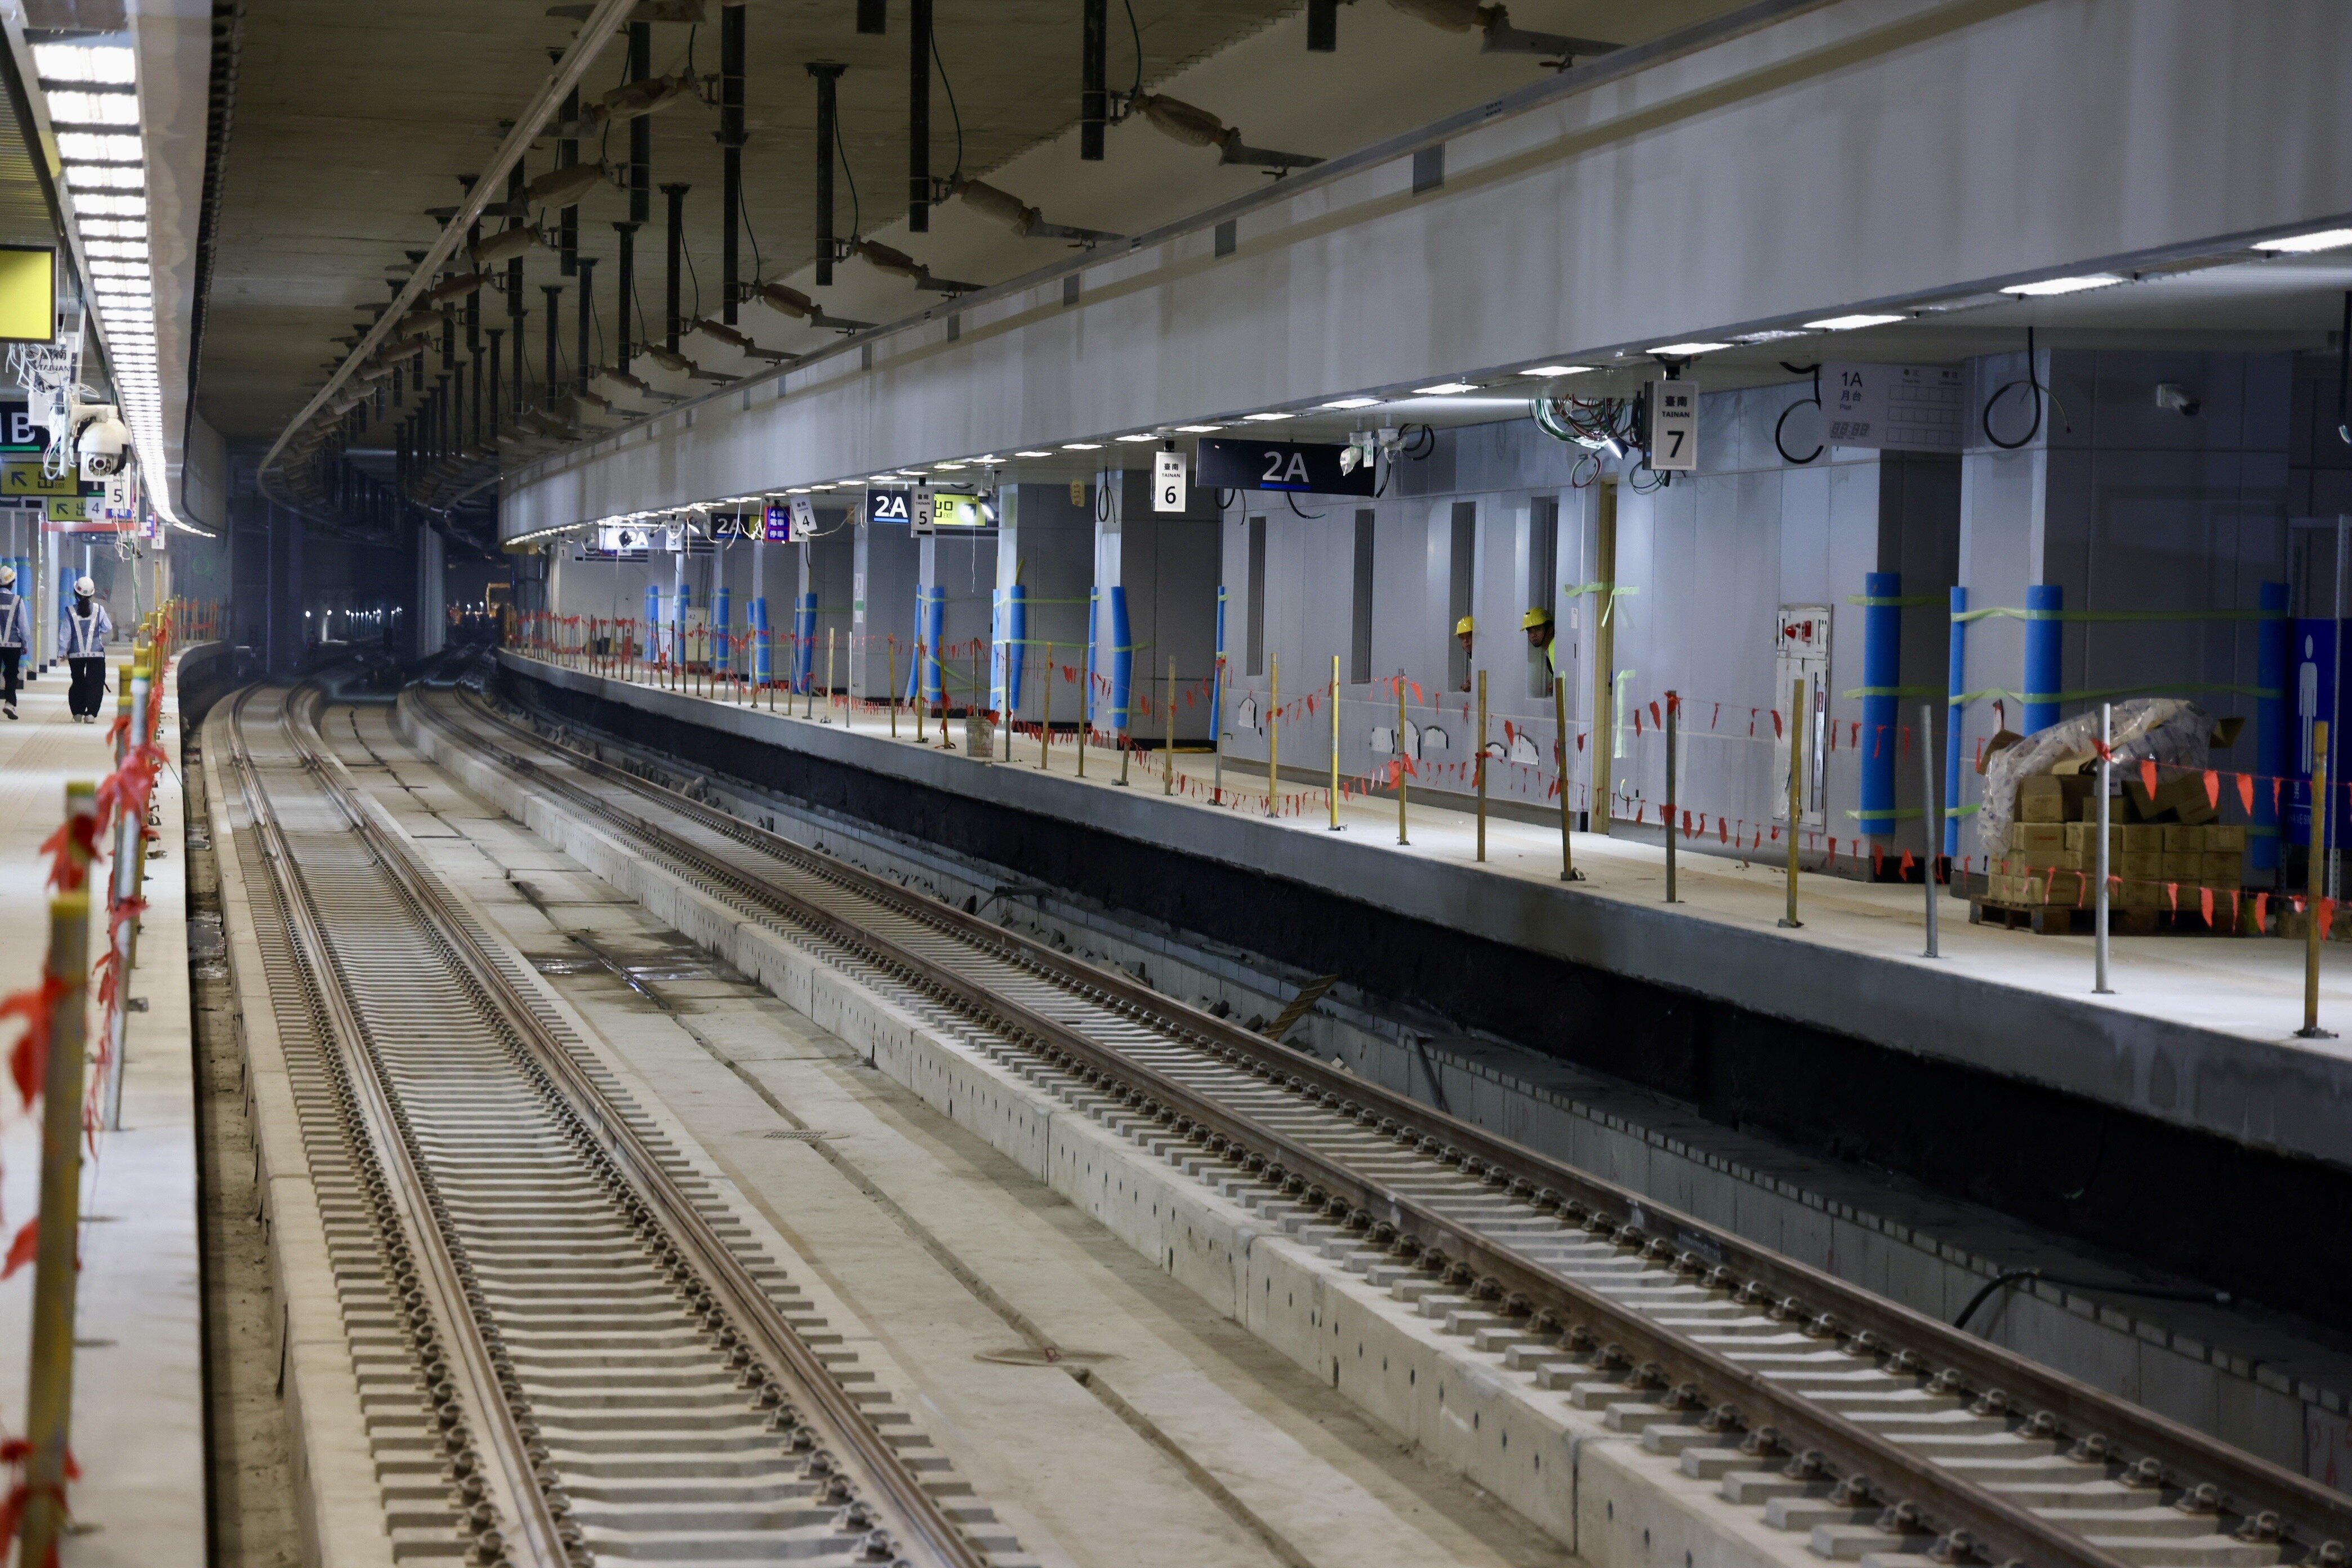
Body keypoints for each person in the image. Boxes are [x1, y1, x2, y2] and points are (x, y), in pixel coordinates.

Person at [60, 575, 112, 724]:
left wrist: (61, 652)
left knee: (78, 682)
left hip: (76, 655)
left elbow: (65, 634)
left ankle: (77, 713)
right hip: (96, 654)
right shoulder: (99, 610)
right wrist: (97, 633)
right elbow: (107, 627)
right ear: (92, 594)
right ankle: (91, 714)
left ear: (76, 593)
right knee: (95, 683)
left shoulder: (70, 611)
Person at [0, 565, 25, 719]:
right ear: (12, 583)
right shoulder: (17, 601)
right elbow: (24, 626)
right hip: (13, 645)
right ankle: (10, 703)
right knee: (11, 675)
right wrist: (26, 643)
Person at [1454, 614, 1475, 691]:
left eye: (1469, 636)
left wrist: (1475, 680)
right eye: (1462, 638)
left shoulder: (1483, 654)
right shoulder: (1472, 655)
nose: (1466, 641)